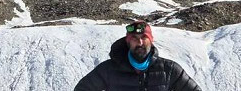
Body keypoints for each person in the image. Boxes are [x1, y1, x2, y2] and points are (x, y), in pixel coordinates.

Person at [74, 20, 202, 91]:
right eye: (134, 38)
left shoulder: (169, 69)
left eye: (144, 38)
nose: (139, 42)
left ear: (151, 41)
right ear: (128, 41)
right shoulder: (109, 69)